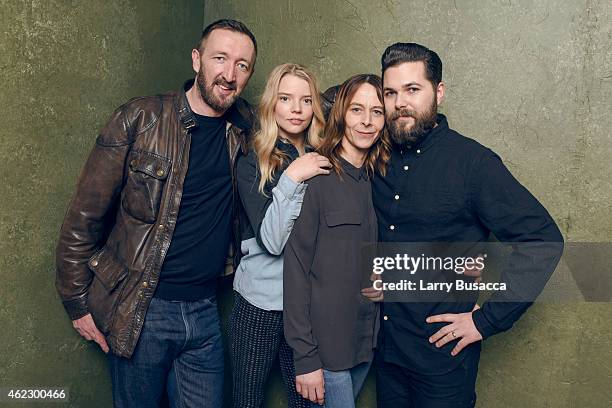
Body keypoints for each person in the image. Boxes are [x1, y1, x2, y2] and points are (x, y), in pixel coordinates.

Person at [55, 19, 257, 407]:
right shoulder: (140, 118)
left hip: (205, 313)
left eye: (242, 65)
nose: (229, 74)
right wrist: (77, 302)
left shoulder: (246, 129)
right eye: (220, 58)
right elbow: (83, 218)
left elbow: (312, 108)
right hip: (142, 309)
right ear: (197, 60)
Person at [373, 42, 564, 407]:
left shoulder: (473, 163)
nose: (400, 103)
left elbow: (542, 240)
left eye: (413, 90)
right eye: (391, 92)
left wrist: (485, 321)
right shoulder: (374, 154)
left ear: (439, 92)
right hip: (386, 355)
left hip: (443, 365)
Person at [283, 74, 391, 407]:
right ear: (342, 113)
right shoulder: (317, 176)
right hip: (325, 353)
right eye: (357, 109)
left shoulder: (378, 181)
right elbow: (296, 269)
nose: (367, 121)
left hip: (364, 343)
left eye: (377, 111)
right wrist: (305, 358)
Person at [229, 63, 329, 408]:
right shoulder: (251, 161)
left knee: (309, 402)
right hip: (261, 303)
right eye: (286, 98)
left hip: (308, 308)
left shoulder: (327, 158)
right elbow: (272, 242)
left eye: (305, 100)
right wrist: (293, 178)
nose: (297, 109)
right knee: (247, 399)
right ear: (272, 103)